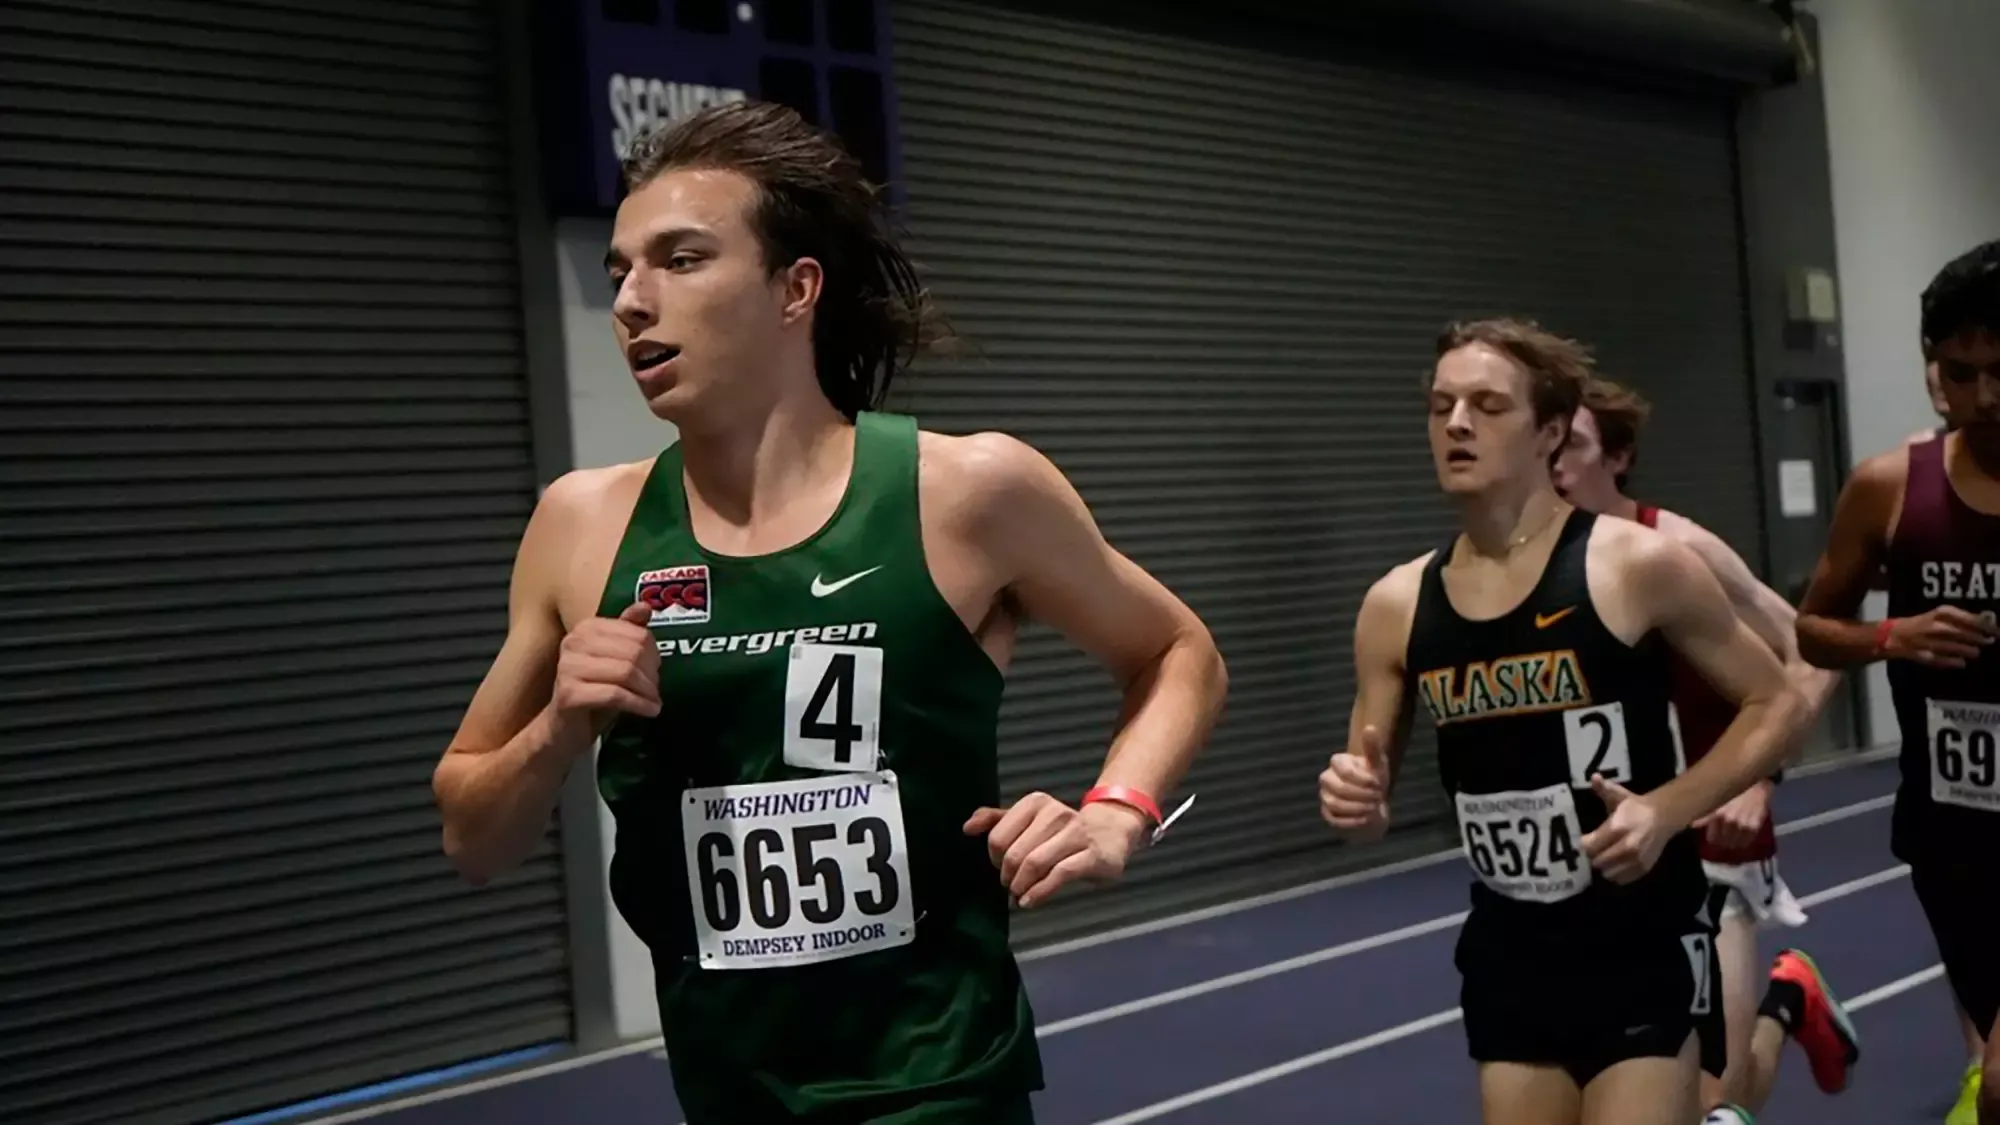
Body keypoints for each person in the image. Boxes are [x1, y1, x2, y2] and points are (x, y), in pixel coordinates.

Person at [429, 101, 1229, 1124]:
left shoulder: (966, 492)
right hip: (727, 1094)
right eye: (619, 271)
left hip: (939, 1083)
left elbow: (1175, 649)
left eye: (680, 260)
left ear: (794, 288)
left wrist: (1116, 813)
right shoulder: (580, 526)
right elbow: (472, 839)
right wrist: (558, 726)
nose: (630, 301)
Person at [1318, 318, 1811, 1125]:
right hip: (1513, 949)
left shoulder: (1635, 564)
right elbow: (1365, 802)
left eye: (1487, 405)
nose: (1457, 424)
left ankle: (1781, 1008)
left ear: (1550, 431)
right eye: (1441, 406)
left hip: (1640, 936)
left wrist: (1667, 809)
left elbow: (1779, 702)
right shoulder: (1395, 605)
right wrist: (1356, 804)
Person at [1554, 377, 1858, 1123]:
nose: (1556, 464)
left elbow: (1814, 648)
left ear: (1618, 458)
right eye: (1547, 445)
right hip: (1611, 850)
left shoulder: (1679, 548)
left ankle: (1782, 1002)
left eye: (1576, 446)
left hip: (1712, 838)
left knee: (1713, 1101)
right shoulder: (1538, 571)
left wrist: (1759, 778)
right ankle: (1789, 997)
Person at [1794, 239, 2000, 1125]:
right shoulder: (1887, 488)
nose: (1986, 397)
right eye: (1962, 373)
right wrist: (1892, 635)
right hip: (1954, 825)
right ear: (1933, 371)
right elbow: (1811, 628)